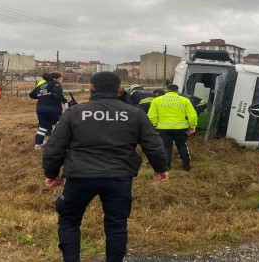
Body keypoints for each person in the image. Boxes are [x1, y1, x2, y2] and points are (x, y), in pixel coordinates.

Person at [42, 72, 169, 262]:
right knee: (116, 224)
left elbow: (54, 146)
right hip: (119, 178)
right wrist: (160, 168)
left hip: (80, 177)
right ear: (119, 90)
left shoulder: (74, 112)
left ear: (91, 88)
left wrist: (52, 173)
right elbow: (153, 144)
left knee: (69, 220)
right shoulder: (135, 114)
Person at [147, 84, 198, 171]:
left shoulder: (157, 100)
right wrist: (192, 126)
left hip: (163, 128)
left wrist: (154, 125)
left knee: (166, 147)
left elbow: (152, 116)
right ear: (177, 91)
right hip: (180, 128)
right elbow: (192, 115)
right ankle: (186, 165)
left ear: (166, 90)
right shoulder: (185, 100)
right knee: (182, 145)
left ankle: (167, 166)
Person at [29, 72, 67, 149]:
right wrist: (64, 101)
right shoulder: (55, 84)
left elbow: (31, 94)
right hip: (53, 108)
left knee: (43, 126)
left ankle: (38, 144)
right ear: (55, 78)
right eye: (59, 79)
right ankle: (56, 144)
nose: (60, 80)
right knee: (57, 125)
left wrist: (42, 97)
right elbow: (57, 95)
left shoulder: (41, 86)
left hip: (40, 108)